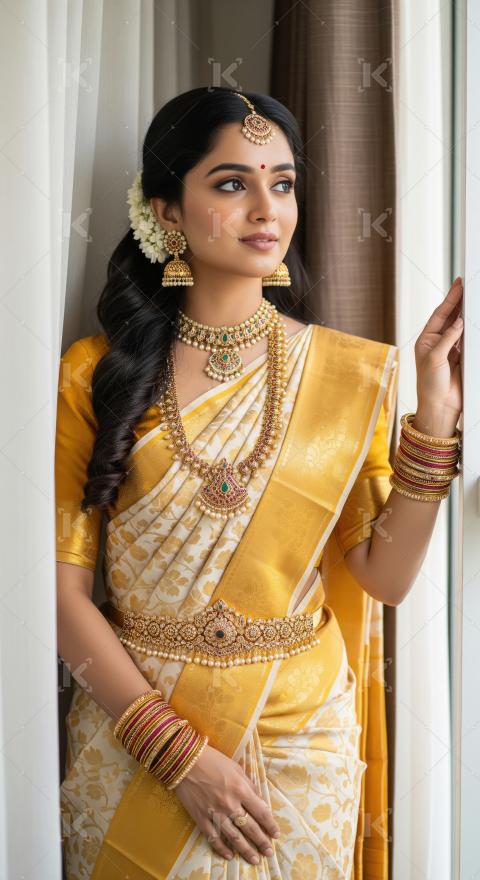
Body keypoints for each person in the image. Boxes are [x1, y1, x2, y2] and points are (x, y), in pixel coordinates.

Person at [56, 87, 463, 880]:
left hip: (302, 745)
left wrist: (436, 418)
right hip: (134, 732)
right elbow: (59, 595)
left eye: (282, 182)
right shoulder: (93, 375)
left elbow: (385, 576)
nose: (266, 208)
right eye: (232, 182)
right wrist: (177, 755)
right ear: (166, 211)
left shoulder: (349, 375)